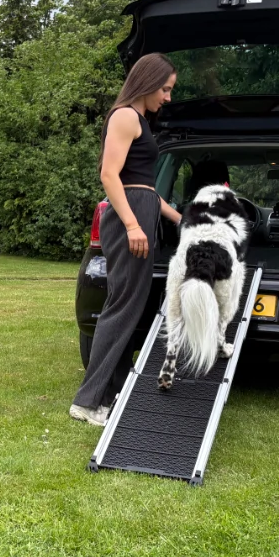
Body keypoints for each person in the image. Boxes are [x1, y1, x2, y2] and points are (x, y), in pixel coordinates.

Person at [70, 53, 183, 426]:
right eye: (165, 89)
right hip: (129, 217)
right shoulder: (125, 116)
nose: (167, 97)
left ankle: (112, 394)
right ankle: (87, 401)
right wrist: (133, 225)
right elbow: (109, 175)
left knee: (129, 308)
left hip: (141, 208)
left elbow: (145, 186)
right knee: (121, 307)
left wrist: (178, 217)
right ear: (148, 82)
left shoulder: (140, 121)